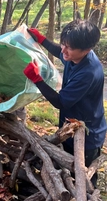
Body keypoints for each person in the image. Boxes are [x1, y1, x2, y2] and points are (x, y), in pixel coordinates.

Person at [23, 19, 107, 187]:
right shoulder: (74, 56)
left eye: (69, 47)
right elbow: (60, 52)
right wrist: (42, 39)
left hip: (87, 133)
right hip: (70, 124)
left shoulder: (88, 72)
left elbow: (61, 102)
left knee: (85, 178)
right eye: (63, 43)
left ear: (87, 49)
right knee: (66, 165)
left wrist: (37, 80)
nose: (63, 50)